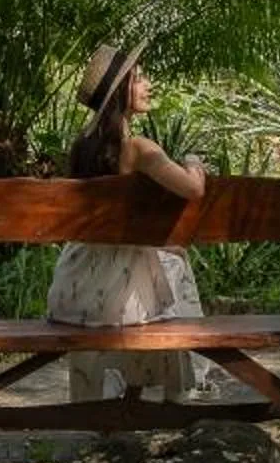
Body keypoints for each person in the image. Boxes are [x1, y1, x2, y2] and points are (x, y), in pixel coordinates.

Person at [44, 44, 215, 402]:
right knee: (175, 261)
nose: (148, 84)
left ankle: (118, 399)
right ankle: (172, 394)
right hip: (118, 302)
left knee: (167, 255)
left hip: (73, 289)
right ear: (121, 91)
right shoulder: (138, 148)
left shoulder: (81, 146)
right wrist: (194, 161)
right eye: (140, 79)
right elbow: (193, 190)